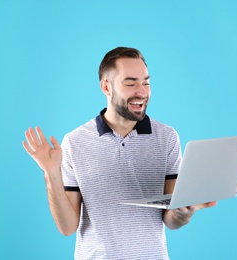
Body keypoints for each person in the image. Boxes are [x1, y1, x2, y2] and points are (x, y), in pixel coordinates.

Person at [23, 47, 216, 259]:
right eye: (131, 83)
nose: (141, 91)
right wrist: (51, 174)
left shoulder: (167, 137)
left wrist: (183, 211)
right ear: (106, 86)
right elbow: (67, 227)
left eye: (146, 82)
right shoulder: (74, 142)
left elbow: (170, 219)